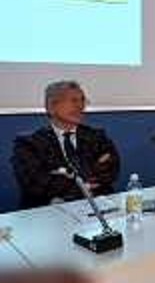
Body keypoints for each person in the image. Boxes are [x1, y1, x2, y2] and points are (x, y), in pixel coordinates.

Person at [11, 81, 120, 209]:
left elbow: (110, 172)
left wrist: (64, 178)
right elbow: (36, 183)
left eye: (83, 100)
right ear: (51, 107)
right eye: (74, 101)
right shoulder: (28, 143)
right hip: (48, 211)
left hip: (96, 207)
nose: (80, 106)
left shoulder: (96, 136)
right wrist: (84, 182)